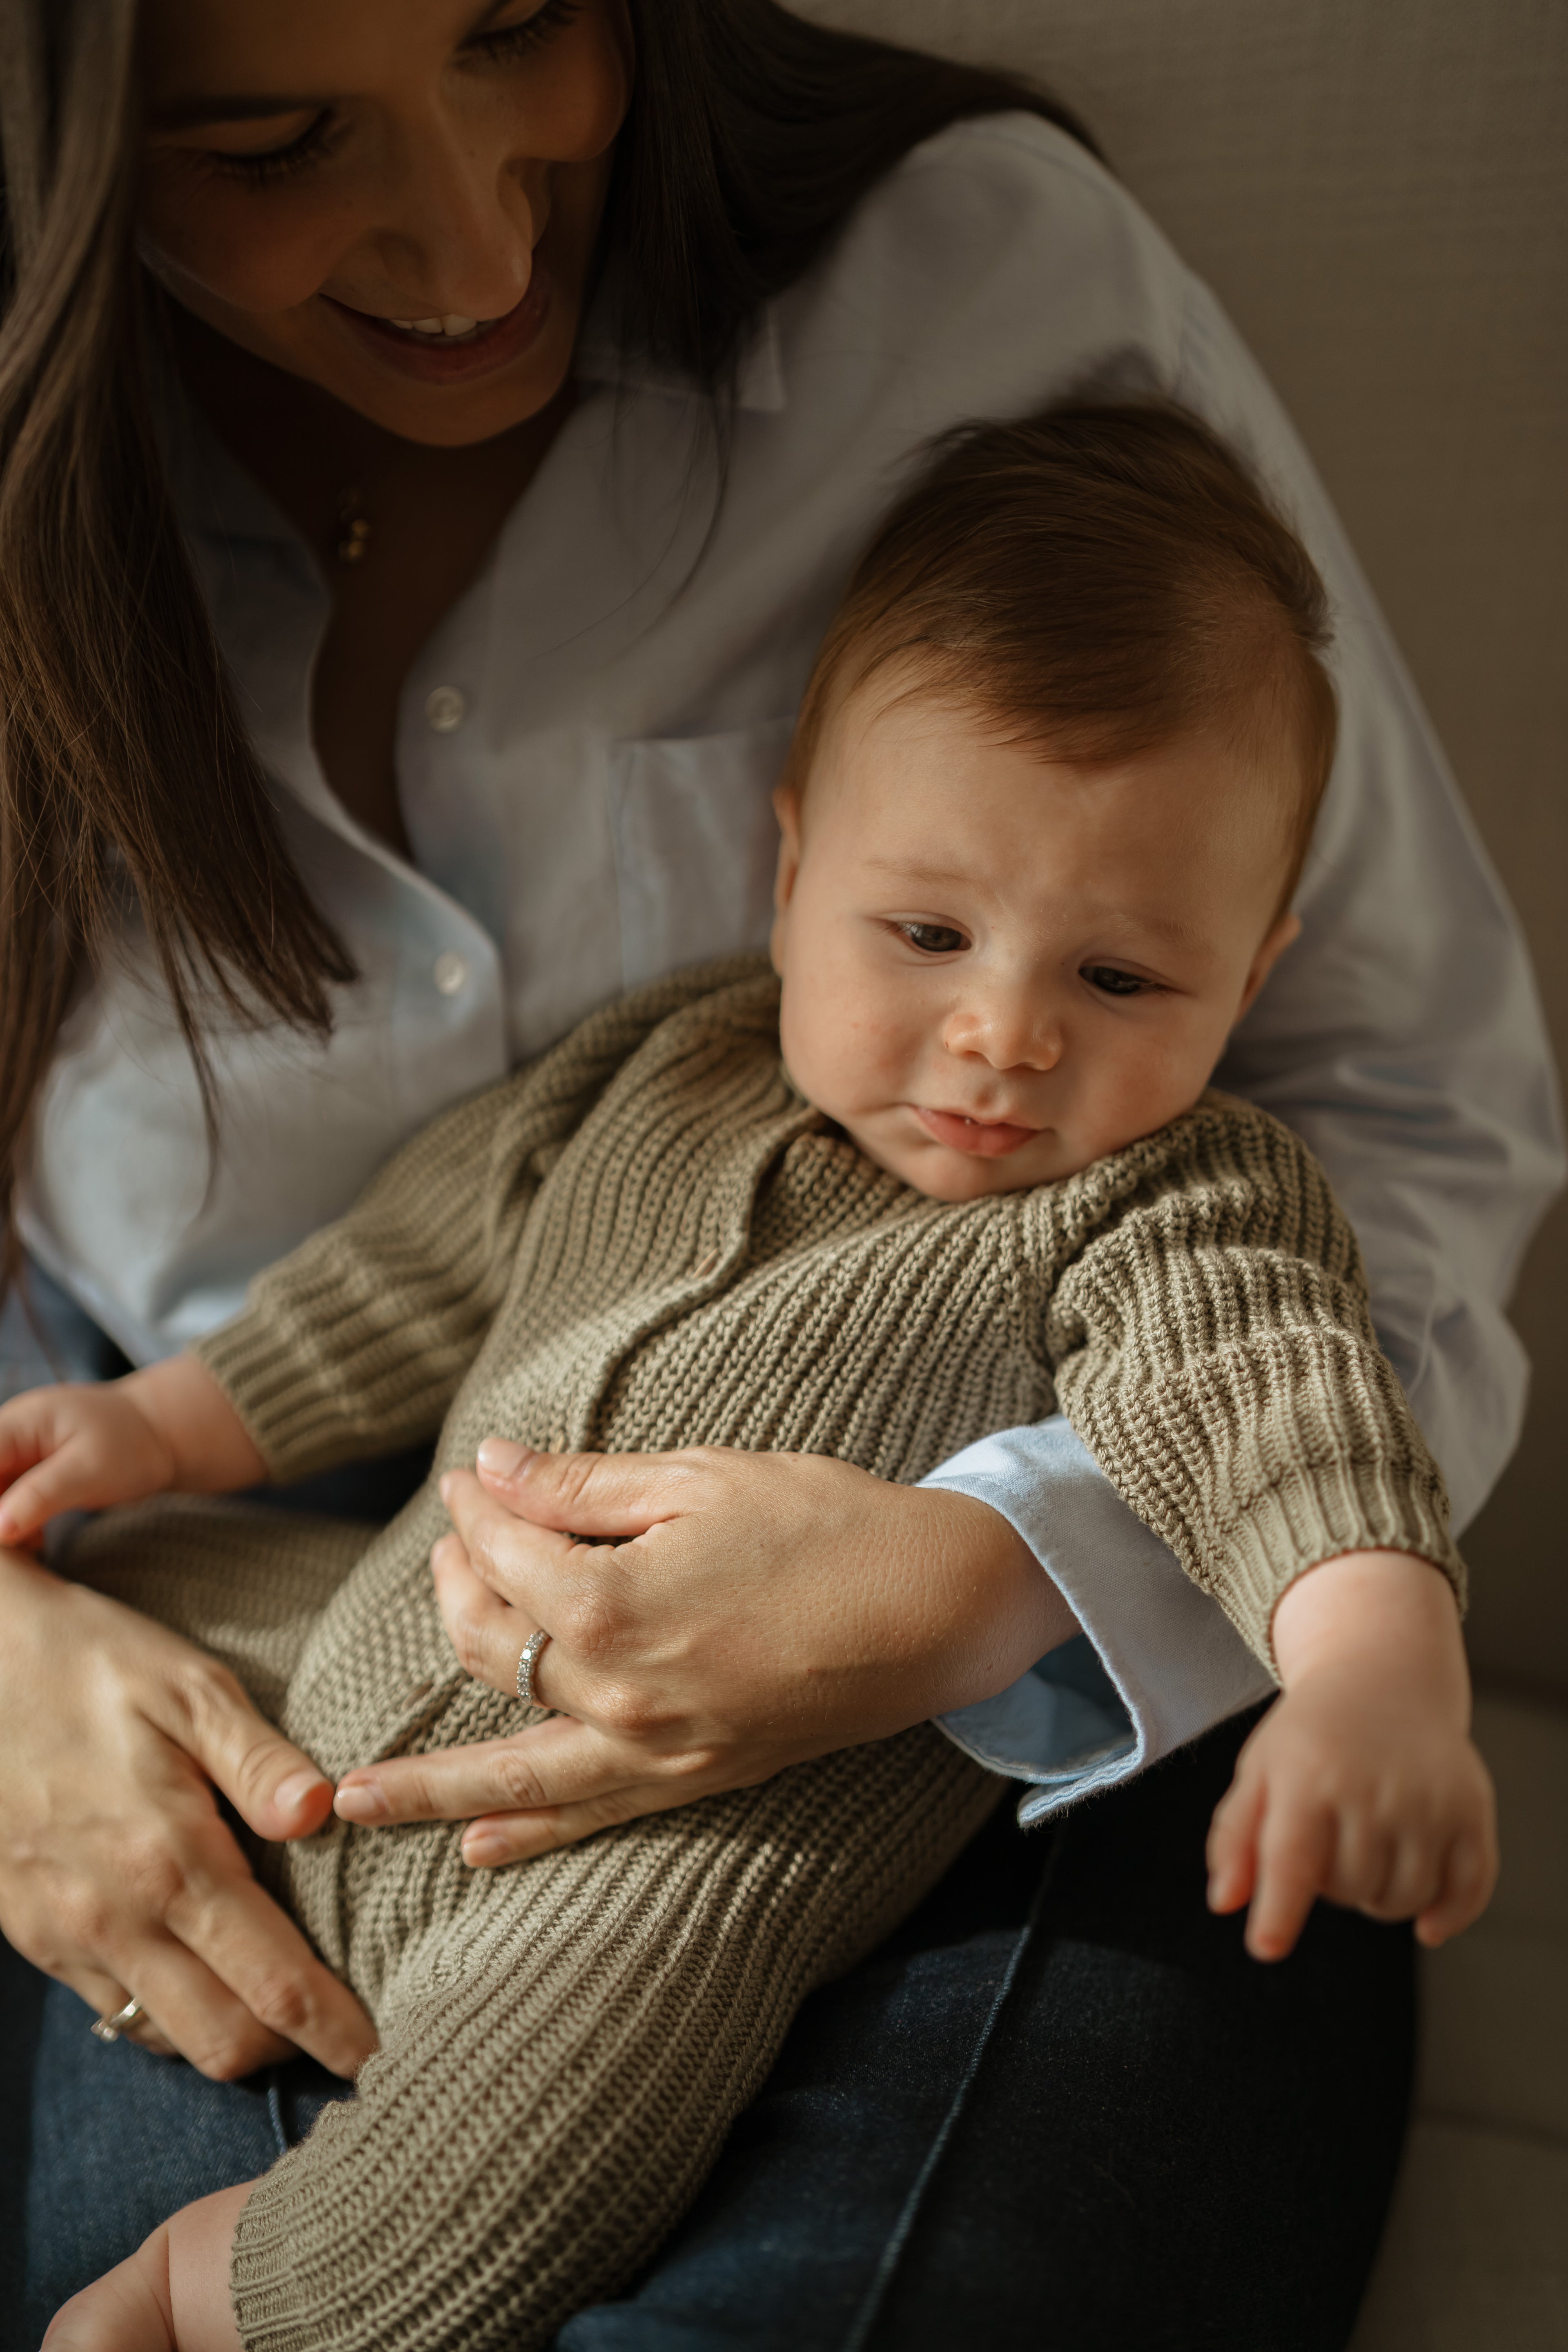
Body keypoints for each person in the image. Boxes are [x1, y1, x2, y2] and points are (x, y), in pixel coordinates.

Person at [0, 1, 1557, 2346]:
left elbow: (1298, 1398)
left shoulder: (1166, 1200)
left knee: (594, 2079)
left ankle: (262, 2284)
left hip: (865, 1759)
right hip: (355, 1594)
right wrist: (116, 1479)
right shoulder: (687, 1056)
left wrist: (1180, 1626)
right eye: (279, 138)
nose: (1007, 1035)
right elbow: (423, 1267)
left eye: (521, 25)